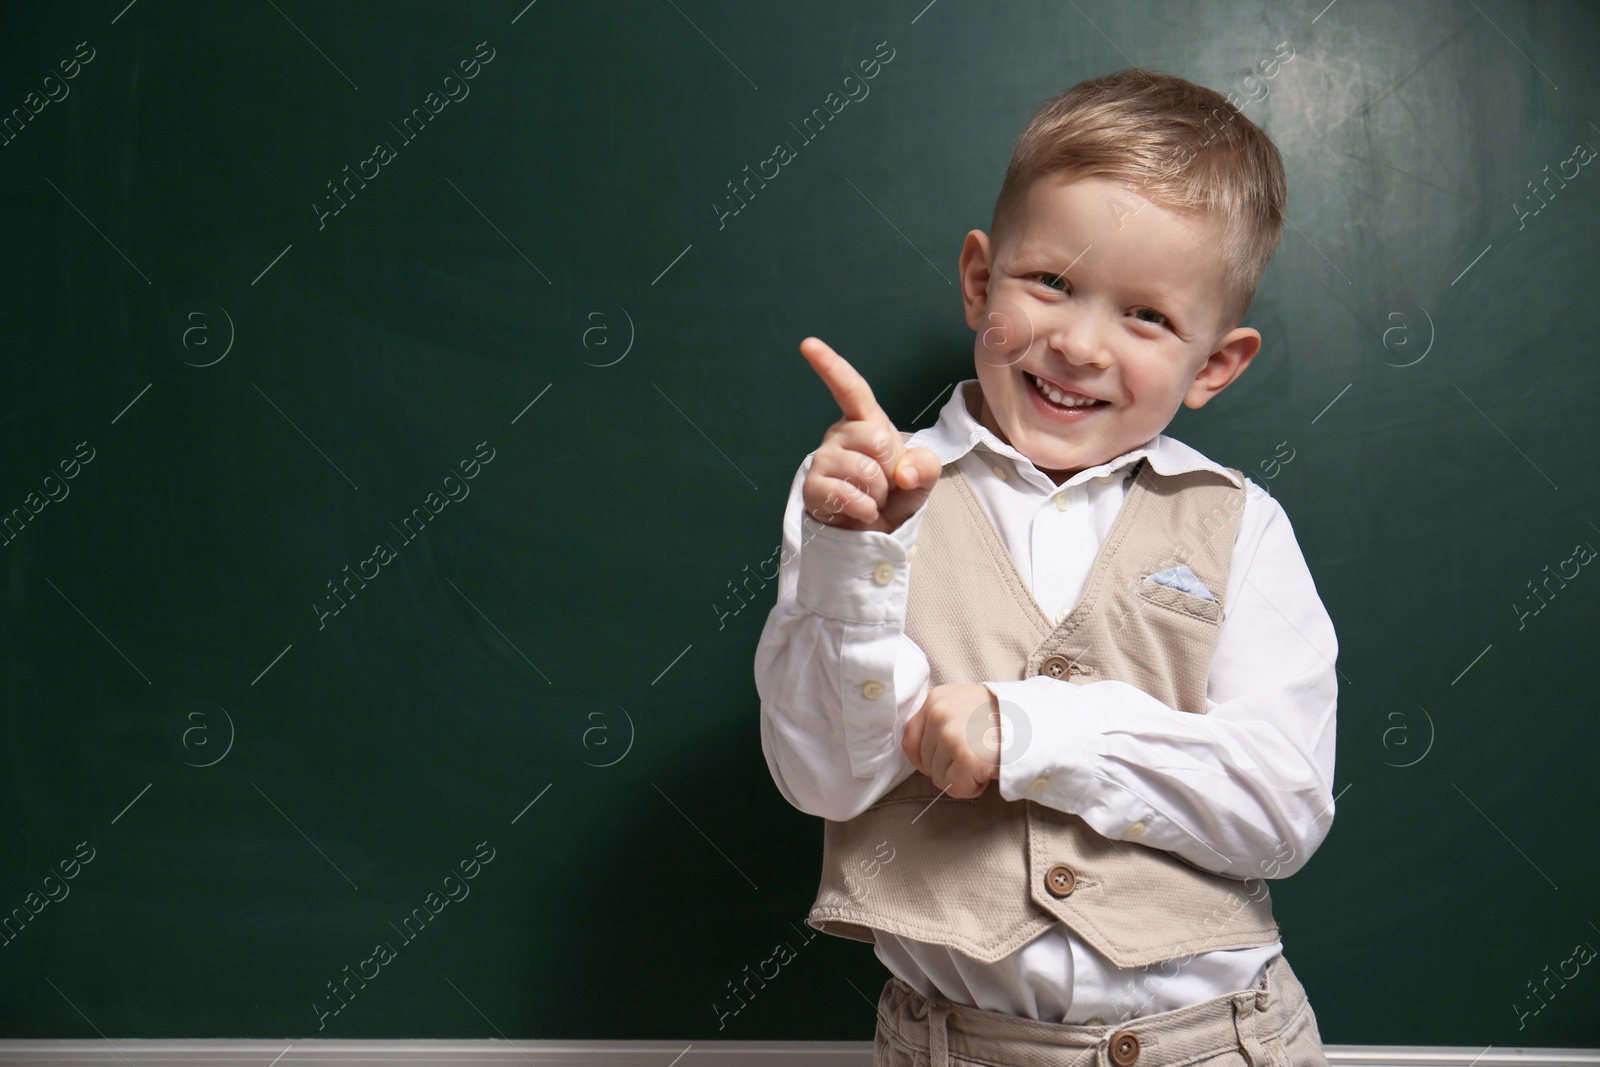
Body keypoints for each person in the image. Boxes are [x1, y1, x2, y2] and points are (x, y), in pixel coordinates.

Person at [754, 67, 1339, 1066]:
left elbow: (1281, 812)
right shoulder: (855, 497)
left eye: (1146, 316)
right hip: (959, 1044)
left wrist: (1033, 729)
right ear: (980, 279)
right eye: (1051, 283)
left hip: (1219, 1041)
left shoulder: (1241, 526)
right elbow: (825, 779)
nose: (1077, 343)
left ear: (1214, 364)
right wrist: (854, 559)